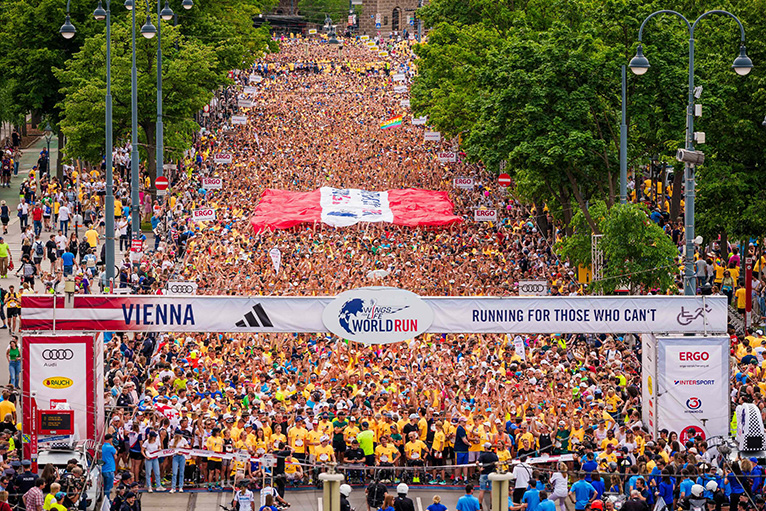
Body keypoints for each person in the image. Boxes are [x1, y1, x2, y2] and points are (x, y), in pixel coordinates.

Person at [476, 442, 498, 509]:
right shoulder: (494, 455)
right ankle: (492, 504)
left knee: (482, 490)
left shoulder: (483, 455)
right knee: (492, 490)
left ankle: (480, 504)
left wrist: (480, 469)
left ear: (486, 448)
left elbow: (477, 462)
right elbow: (497, 465)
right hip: (492, 474)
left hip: (484, 473)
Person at [101, 434, 117, 499]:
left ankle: (105, 498)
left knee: (105, 486)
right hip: (109, 469)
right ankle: (107, 500)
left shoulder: (102, 446)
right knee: (109, 487)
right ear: (110, 439)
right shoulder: (110, 447)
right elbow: (115, 453)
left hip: (104, 469)